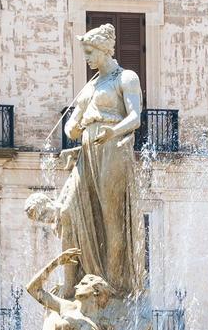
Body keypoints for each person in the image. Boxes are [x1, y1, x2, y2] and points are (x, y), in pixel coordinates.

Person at [58, 23, 145, 299]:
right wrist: (71, 129)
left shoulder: (126, 78)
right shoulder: (90, 86)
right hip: (88, 151)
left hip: (112, 148)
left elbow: (135, 118)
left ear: (104, 50)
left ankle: (113, 285)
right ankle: (73, 282)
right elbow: (72, 122)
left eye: (89, 52)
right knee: (69, 210)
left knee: (111, 218)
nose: (87, 58)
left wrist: (113, 131)